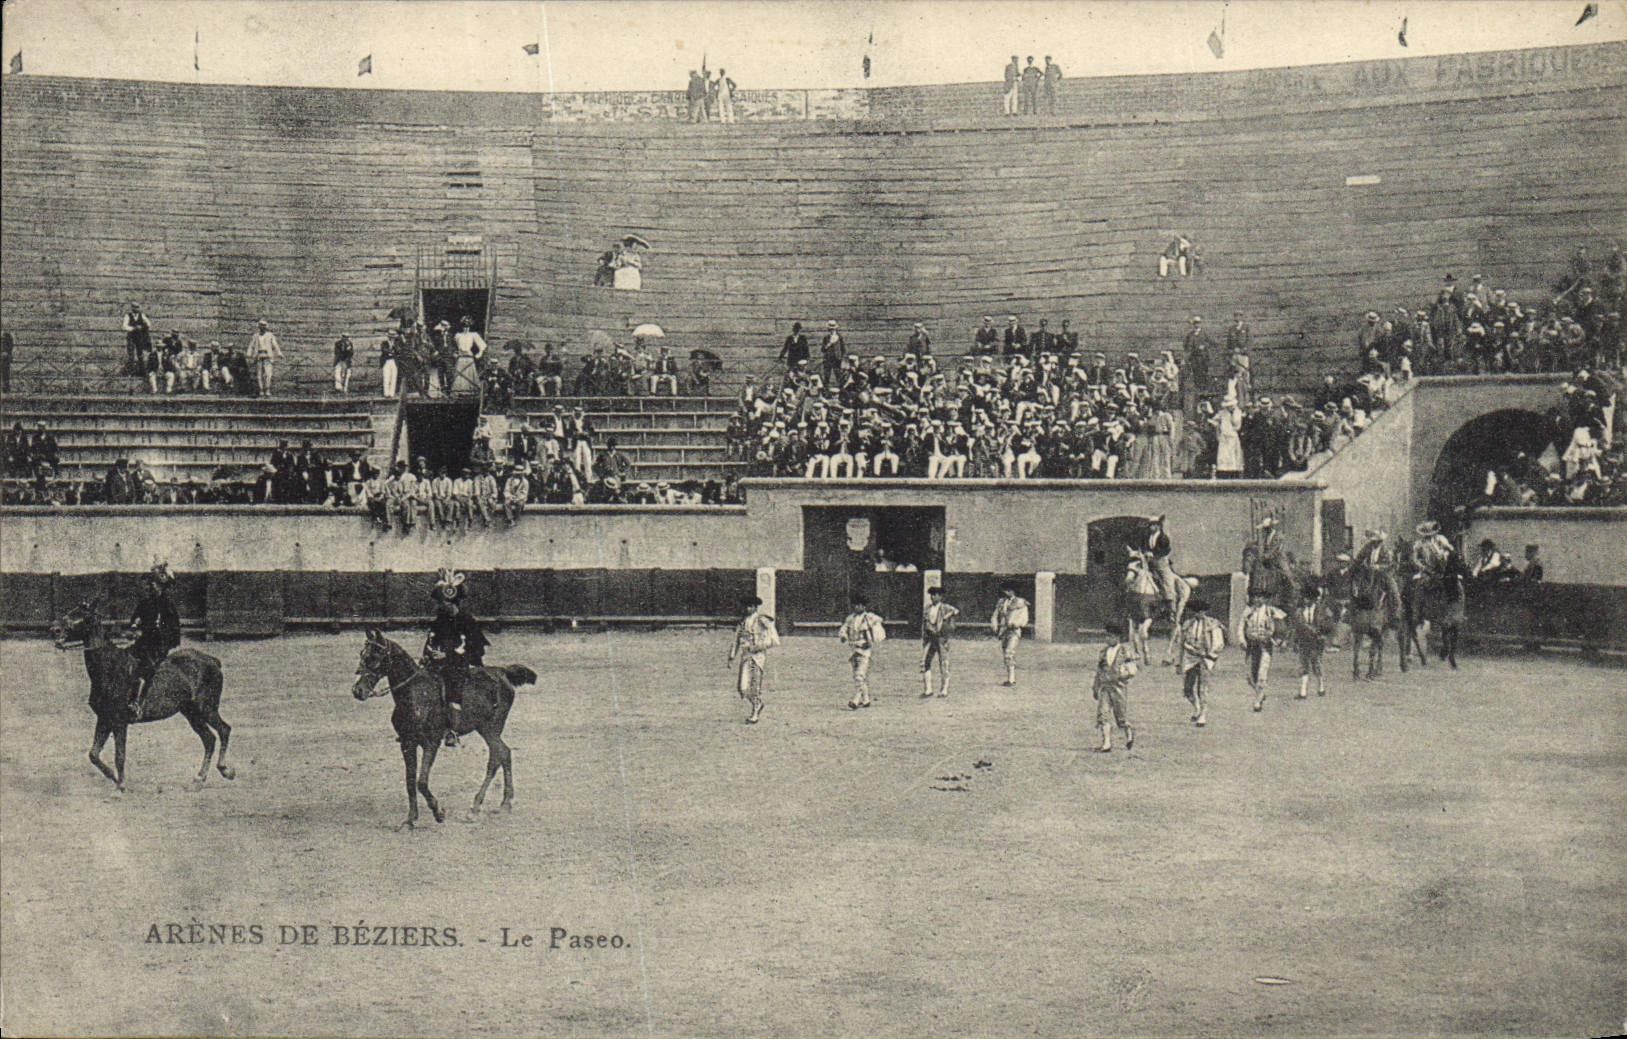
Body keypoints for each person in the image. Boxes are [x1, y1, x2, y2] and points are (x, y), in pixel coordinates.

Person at [421, 569, 489, 748]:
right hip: (437, 664)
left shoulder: (467, 620)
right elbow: (431, 640)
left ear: (455, 602)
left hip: (458, 666)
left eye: (448, 602)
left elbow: (475, 650)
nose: (444, 605)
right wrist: (427, 655)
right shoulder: (439, 619)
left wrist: (448, 656)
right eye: (442, 602)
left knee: (451, 687)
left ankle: (452, 729)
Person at [127, 563, 182, 714]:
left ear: (162, 586)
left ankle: (137, 703)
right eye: (151, 582)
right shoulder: (145, 602)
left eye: (155, 583)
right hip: (142, 644)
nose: (151, 586)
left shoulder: (167, 605)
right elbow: (135, 618)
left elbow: (172, 631)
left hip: (158, 647)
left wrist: (146, 633)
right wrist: (133, 628)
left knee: (145, 669)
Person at [728, 595, 779, 724]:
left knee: (754, 686)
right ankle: (758, 704)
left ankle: (755, 712)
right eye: (746, 606)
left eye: (750, 606)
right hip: (746, 656)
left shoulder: (762, 620)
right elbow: (736, 640)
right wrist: (732, 656)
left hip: (757, 657)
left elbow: (774, 640)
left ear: (755, 607)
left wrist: (758, 647)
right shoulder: (742, 622)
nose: (747, 608)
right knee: (743, 688)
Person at [1176, 597, 1227, 728]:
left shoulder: (1212, 624)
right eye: (1196, 611)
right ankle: (1197, 707)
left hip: (1205, 658)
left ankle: (1203, 714)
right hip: (1190, 658)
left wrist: (1209, 654)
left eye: (1201, 611)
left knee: (1202, 688)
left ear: (1205, 611)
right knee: (1187, 689)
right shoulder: (1188, 624)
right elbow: (1181, 644)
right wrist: (1179, 661)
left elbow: (1219, 643)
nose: (1198, 613)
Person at [1092, 629, 1139, 753]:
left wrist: (1124, 674)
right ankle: (1106, 743)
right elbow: (1099, 670)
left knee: (1120, 716)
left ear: (1117, 637)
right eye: (1106, 636)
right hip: (1105, 686)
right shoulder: (1103, 652)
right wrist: (1095, 686)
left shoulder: (1125, 651)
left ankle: (1128, 731)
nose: (1108, 639)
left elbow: (1133, 669)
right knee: (1103, 714)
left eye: (1111, 636)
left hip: (1119, 687)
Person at [1241, 589, 1287, 713]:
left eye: (1261, 597)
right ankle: (1260, 692)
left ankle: (1258, 701)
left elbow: (1281, 628)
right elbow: (1241, 627)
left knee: (1262, 674)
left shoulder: (1271, 611)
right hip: (1252, 646)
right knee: (1251, 677)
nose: (1258, 600)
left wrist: (1279, 640)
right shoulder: (1248, 612)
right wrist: (1242, 640)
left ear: (1266, 599)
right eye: (1256, 597)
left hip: (1265, 646)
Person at [838, 596, 889, 710]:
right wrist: (843, 636)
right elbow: (844, 629)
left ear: (864, 606)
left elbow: (878, 627)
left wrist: (871, 638)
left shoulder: (869, 618)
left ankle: (856, 700)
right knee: (858, 675)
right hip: (853, 650)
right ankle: (866, 700)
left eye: (860, 605)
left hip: (865, 650)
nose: (857, 607)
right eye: (856, 604)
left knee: (859, 676)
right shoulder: (850, 618)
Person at [1291, 580, 1337, 700]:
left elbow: (1330, 624)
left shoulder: (1322, 610)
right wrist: (1295, 641)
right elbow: (1296, 627)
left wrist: (1323, 634)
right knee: (1303, 664)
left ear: (1314, 598)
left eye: (1308, 598)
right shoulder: (1300, 611)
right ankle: (1303, 691)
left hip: (1317, 640)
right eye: (1305, 597)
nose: (1306, 600)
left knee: (1316, 663)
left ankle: (1321, 686)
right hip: (1304, 640)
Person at [920, 585, 959, 698]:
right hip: (930, 638)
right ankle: (928, 689)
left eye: (935, 595)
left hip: (942, 638)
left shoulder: (945, 607)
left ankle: (944, 689)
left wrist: (948, 617)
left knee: (944, 663)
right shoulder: (927, 608)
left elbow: (956, 611)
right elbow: (924, 624)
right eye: (931, 595)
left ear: (941, 596)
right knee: (926, 662)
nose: (932, 597)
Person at [991, 585, 1030, 687]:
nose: (1006, 592)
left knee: (1009, 653)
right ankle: (1009, 677)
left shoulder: (1020, 602)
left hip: (1014, 631)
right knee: (1005, 654)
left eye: (1008, 590)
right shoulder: (1001, 602)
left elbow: (1024, 616)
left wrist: (1019, 623)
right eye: (1005, 590)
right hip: (1004, 631)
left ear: (1013, 591)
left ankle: (1012, 679)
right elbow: (995, 615)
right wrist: (995, 625)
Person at [247, 320, 284, 396]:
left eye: (264, 325)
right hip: (259, 355)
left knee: (268, 374)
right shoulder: (256, 336)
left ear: (266, 326)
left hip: (267, 355)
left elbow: (275, 345)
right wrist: (249, 353)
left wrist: (279, 353)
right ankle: (261, 390)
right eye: (261, 325)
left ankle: (267, 389)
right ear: (259, 326)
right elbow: (251, 345)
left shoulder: (270, 335)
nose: (262, 327)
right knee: (259, 374)